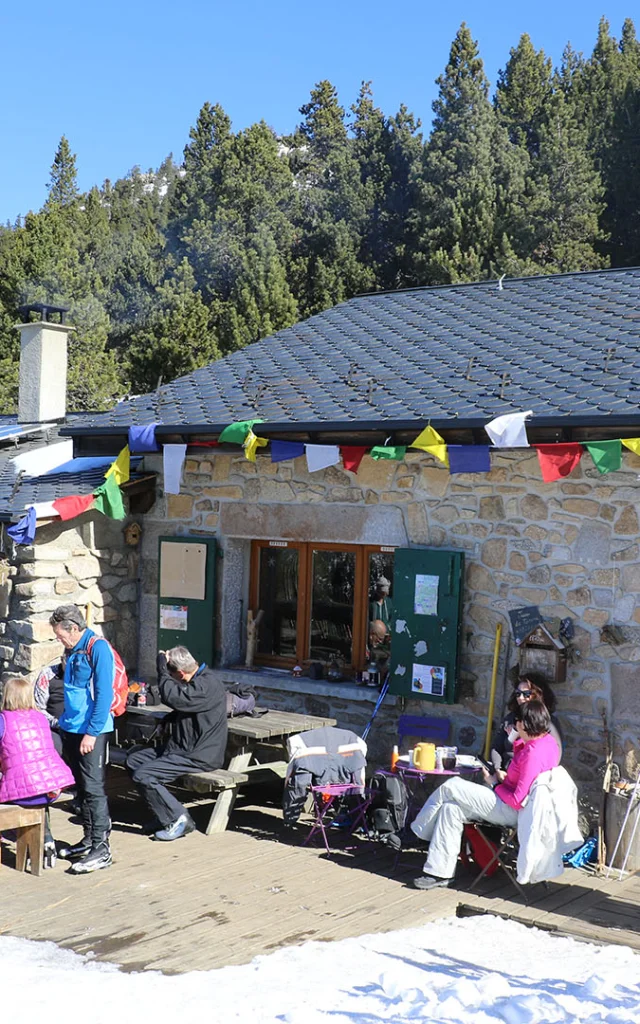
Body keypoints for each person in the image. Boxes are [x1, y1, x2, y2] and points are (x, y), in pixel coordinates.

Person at [410, 701, 560, 890]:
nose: (514, 726)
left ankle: (418, 831)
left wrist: (495, 783)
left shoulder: (533, 754)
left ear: (523, 724)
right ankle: (440, 873)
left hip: (511, 809)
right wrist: (515, 742)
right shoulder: (546, 742)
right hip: (509, 799)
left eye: (516, 722)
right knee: (451, 808)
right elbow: (523, 772)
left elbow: (517, 800)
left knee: (451, 786)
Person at [126, 646, 228, 841]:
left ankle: (179, 818)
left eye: (172, 676)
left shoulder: (207, 685)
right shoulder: (199, 681)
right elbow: (191, 709)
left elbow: (175, 697)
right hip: (182, 749)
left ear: (180, 673)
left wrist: (162, 670)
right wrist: (170, 719)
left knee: (144, 775)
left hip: (199, 755)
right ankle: (164, 816)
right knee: (134, 761)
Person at [49, 605, 116, 874]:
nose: (58, 639)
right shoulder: (73, 649)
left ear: (74, 629)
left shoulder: (97, 648)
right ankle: (88, 840)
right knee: (80, 788)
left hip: (92, 731)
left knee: (94, 788)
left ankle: (102, 848)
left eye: (60, 635)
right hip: (72, 727)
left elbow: (103, 694)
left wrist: (92, 732)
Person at [0, 677, 75, 869]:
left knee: (23, 790)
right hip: (52, 788)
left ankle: (14, 835)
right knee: (37, 791)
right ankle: (46, 838)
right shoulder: (40, 718)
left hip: (25, 792)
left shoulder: (3, 720)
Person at [491, 673, 563, 770]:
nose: (520, 698)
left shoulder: (548, 722)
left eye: (526, 694)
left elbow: (554, 756)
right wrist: (497, 769)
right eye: (518, 693)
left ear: (538, 695)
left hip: (530, 775)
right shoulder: (510, 718)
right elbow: (496, 748)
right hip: (505, 773)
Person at [34, 657, 66, 755]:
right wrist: (57, 723)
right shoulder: (48, 674)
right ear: (62, 659)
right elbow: (38, 708)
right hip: (54, 728)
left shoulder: (84, 674)